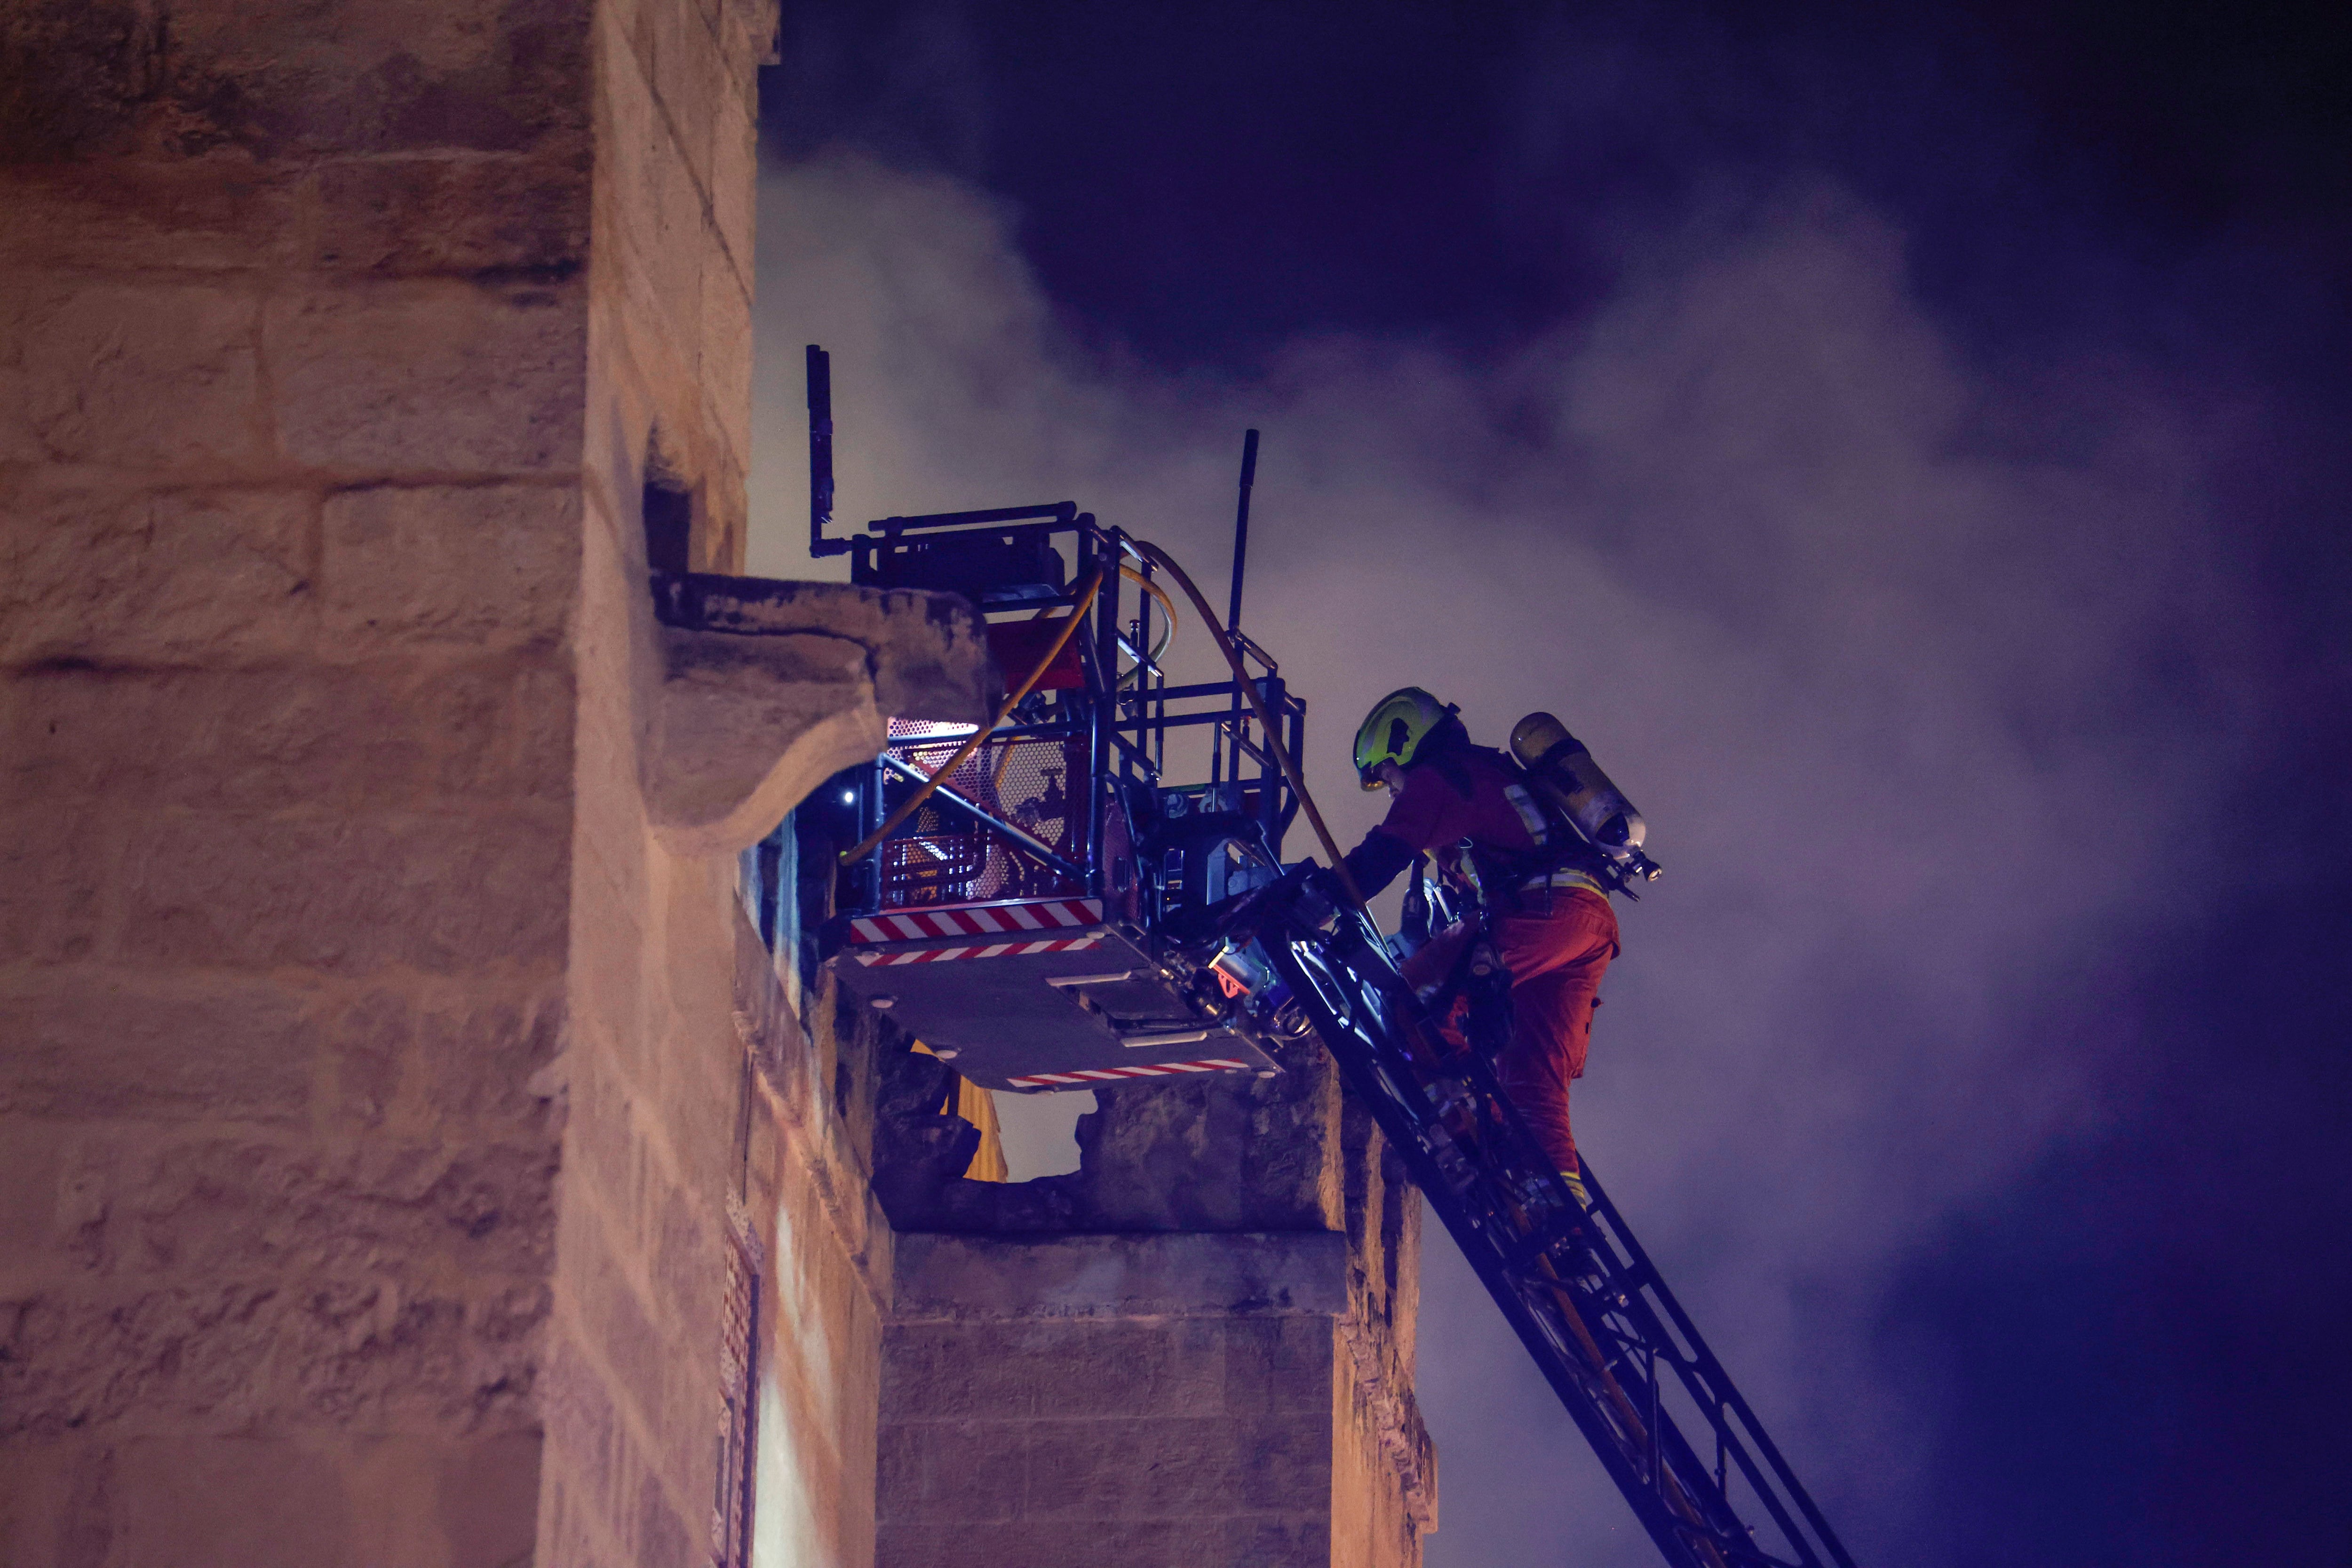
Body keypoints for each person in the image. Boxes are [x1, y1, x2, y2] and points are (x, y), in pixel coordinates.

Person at [1336, 688, 1621, 1205]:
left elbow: (1383, 853)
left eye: (1388, 777)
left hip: (1542, 910)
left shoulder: (1441, 776)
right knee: (1532, 1076)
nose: (1393, 791)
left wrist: (1321, 894)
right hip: (1585, 924)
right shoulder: (1493, 777)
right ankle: (1563, 1213)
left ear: (1402, 746)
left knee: (1415, 1000)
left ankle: (1466, 1123)